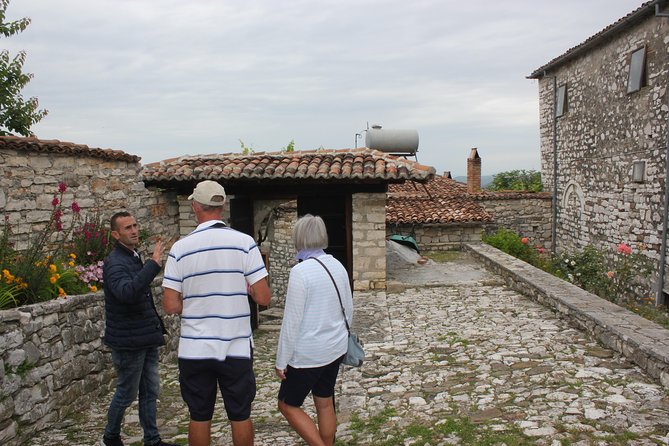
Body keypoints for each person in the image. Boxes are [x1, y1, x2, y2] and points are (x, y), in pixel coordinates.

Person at [162, 180, 271, 446]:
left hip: (195, 348)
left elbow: (170, 305)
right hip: (235, 346)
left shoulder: (179, 249)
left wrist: (199, 303)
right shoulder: (244, 244)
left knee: (199, 415)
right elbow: (264, 298)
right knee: (240, 414)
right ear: (222, 206)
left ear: (195, 206)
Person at [275, 214, 353, 446]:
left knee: (287, 404)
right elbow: (348, 309)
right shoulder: (337, 265)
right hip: (335, 348)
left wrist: (282, 361)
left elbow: (292, 322)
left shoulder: (300, 272)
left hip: (308, 355)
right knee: (325, 402)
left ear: (298, 238)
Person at [101, 211, 177, 446]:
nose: (133, 231)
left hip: (145, 337)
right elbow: (126, 292)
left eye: (135, 225)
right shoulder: (115, 263)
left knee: (150, 391)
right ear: (116, 234)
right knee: (126, 392)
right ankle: (111, 436)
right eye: (127, 228)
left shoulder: (132, 257)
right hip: (128, 342)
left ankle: (152, 439)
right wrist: (153, 265)